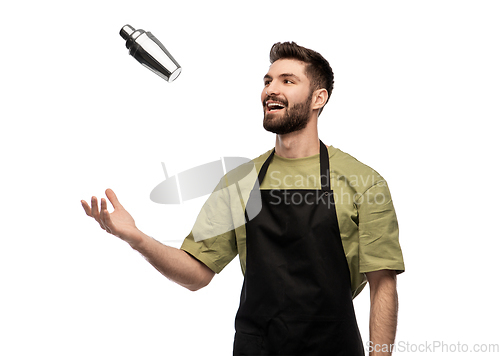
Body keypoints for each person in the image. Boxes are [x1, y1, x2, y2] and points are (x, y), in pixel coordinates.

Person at [82, 42, 405, 355]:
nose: (270, 89)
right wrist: (137, 238)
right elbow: (197, 273)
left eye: (287, 81)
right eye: (267, 81)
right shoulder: (240, 182)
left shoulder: (363, 182)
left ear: (319, 98)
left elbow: (383, 285)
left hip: (334, 346)